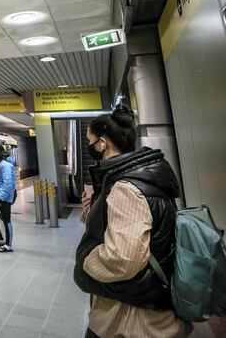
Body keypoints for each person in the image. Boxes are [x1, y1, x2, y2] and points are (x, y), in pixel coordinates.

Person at [74, 105, 191, 338]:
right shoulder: (136, 175)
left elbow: (122, 259)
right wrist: (92, 211)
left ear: (103, 143)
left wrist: (85, 260)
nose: (90, 146)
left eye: (90, 141)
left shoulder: (126, 187)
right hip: (134, 309)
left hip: (132, 321)